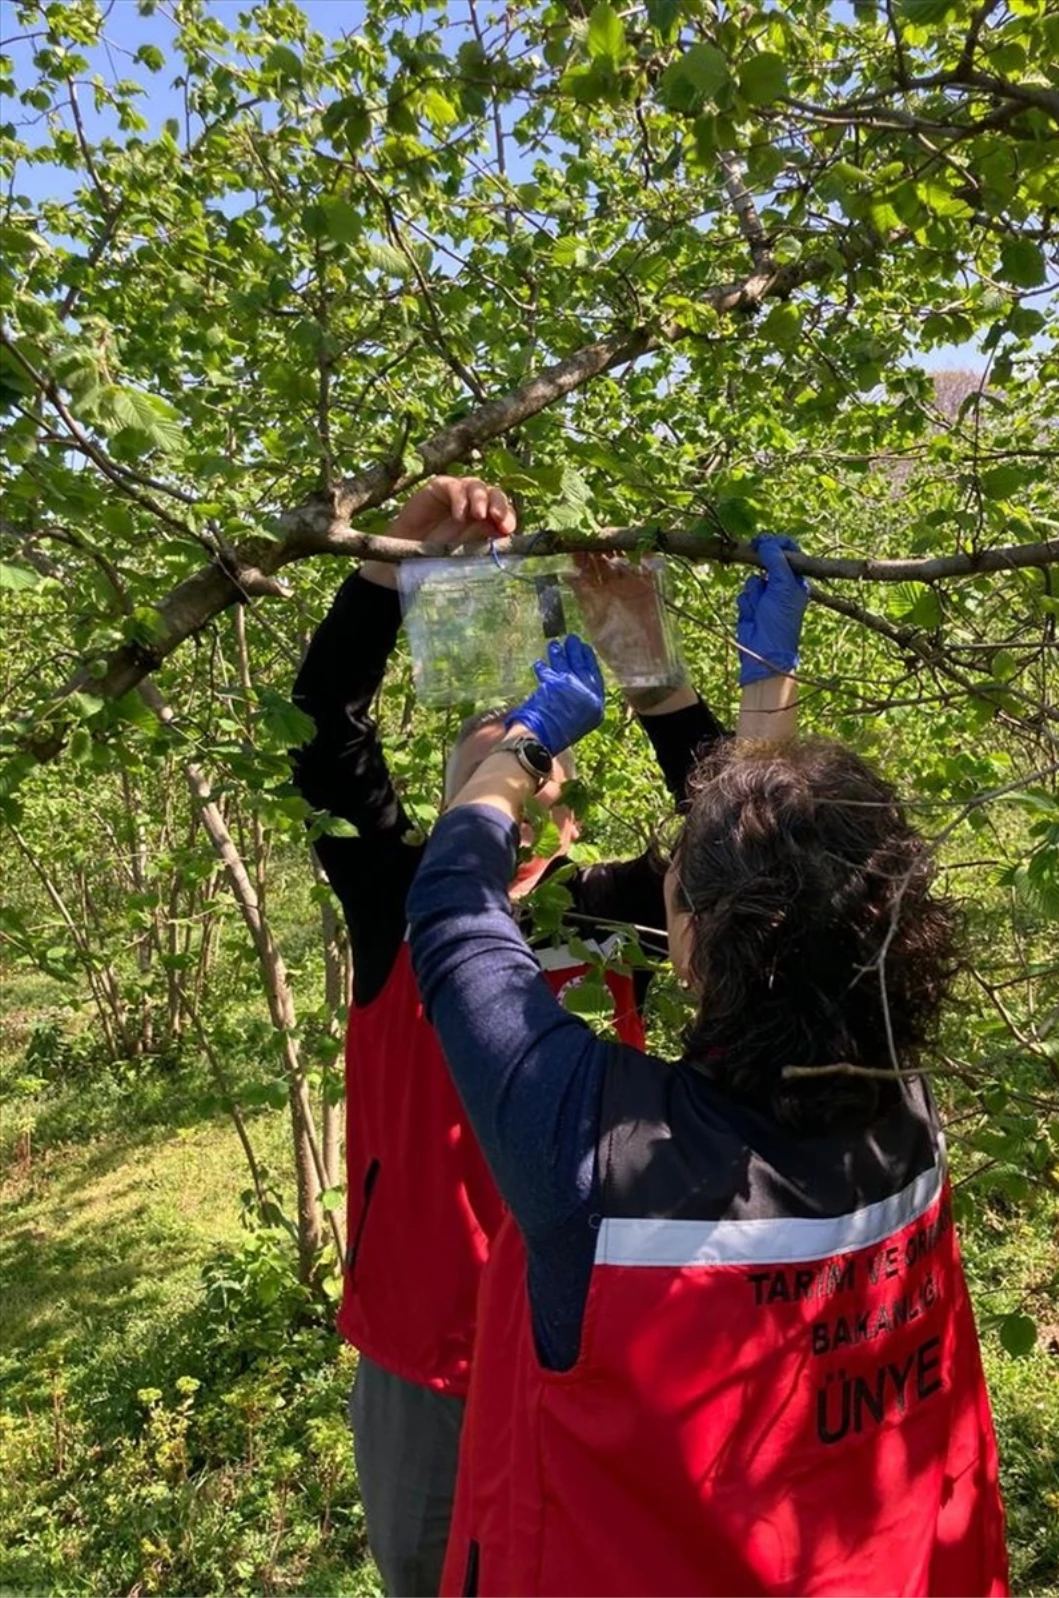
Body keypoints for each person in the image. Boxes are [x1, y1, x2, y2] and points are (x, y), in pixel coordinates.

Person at [406, 536, 1010, 1598]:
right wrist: (683, 687)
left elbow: (454, 905)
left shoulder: (594, 1158)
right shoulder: (897, 1105)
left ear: (696, 944)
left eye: (680, 878)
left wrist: (522, 750)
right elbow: (788, 882)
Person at [289, 476, 724, 1597]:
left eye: (531, 741)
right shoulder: (402, 898)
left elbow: (749, 868)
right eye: (491, 740)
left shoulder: (592, 911)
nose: (505, 743)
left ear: (559, 794)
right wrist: (391, 560)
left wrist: (654, 679)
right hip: (429, 1358)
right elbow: (323, 741)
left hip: (595, 1339)